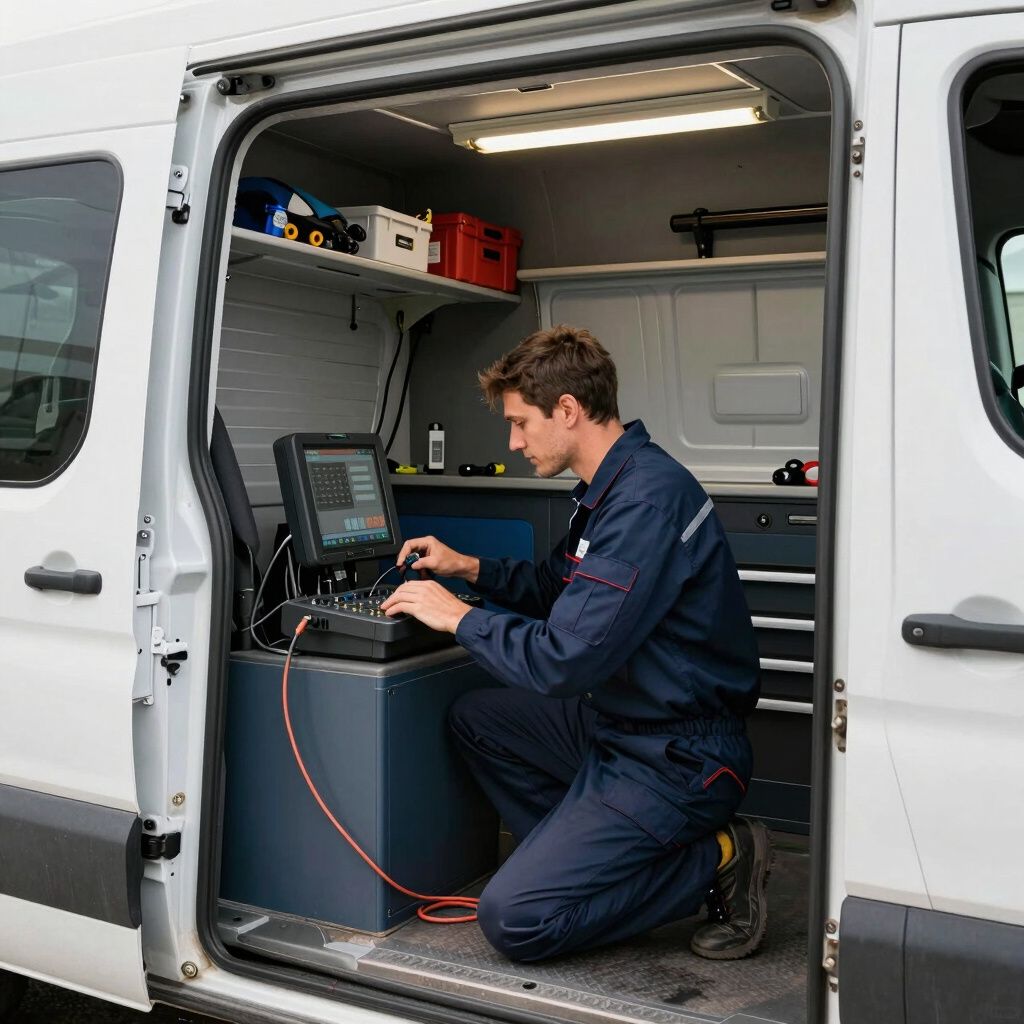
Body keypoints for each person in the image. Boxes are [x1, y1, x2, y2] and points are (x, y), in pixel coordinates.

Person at [380, 325, 768, 963]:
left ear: (567, 410)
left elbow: (566, 659)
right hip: (619, 725)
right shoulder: (611, 490)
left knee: (518, 919)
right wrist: (468, 568)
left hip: (679, 756)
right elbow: (552, 586)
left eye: (519, 423)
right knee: (478, 720)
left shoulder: (644, 502)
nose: (512, 441)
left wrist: (458, 618)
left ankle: (718, 855)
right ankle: (585, 861)